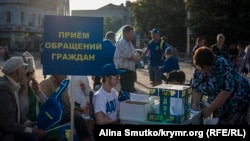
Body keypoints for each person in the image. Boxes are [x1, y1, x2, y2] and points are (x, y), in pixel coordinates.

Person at [191, 46, 250, 124]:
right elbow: (196, 87)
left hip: (237, 101)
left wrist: (210, 109)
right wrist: (196, 102)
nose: (202, 70)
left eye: (204, 68)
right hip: (219, 106)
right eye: (200, 68)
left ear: (210, 64)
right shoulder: (199, 68)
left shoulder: (222, 65)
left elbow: (226, 91)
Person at [0, 56, 47, 141]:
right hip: (6, 134)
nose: (25, 72)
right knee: (33, 138)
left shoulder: (10, 85)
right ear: (18, 71)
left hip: (13, 128)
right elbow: (7, 123)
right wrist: (32, 130)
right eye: (23, 68)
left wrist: (27, 122)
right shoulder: (5, 88)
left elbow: (15, 115)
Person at [39, 75, 92, 141]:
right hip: (53, 117)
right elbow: (44, 104)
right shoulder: (46, 84)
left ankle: (85, 137)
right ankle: (85, 138)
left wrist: (79, 110)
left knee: (81, 118)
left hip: (64, 114)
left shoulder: (64, 84)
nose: (66, 74)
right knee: (78, 120)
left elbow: (68, 105)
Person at [19, 51, 48, 123]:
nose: (30, 77)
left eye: (31, 73)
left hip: (40, 121)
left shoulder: (31, 86)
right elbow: (19, 113)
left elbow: (46, 104)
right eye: (27, 74)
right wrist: (24, 92)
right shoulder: (15, 89)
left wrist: (38, 91)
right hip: (26, 126)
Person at [113, 25, 139, 92]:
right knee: (125, 91)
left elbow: (137, 55)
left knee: (130, 92)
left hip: (131, 72)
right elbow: (132, 56)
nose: (133, 35)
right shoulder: (121, 44)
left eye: (133, 33)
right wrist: (133, 56)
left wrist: (134, 56)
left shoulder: (130, 44)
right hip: (124, 72)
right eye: (131, 33)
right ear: (125, 33)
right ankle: (121, 102)